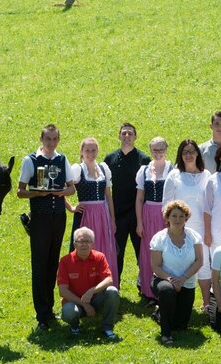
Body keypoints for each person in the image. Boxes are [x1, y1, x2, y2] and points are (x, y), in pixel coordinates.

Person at [18, 124, 77, 330]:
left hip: (58, 217)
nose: (51, 143)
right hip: (40, 218)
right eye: (48, 139)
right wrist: (37, 193)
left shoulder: (62, 159)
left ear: (58, 140)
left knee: (52, 263)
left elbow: (71, 188)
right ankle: (41, 314)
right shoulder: (31, 160)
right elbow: (20, 191)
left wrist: (63, 192)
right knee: (39, 264)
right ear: (41, 139)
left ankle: (49, 308)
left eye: (54, 139)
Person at [162, 139, 213, 309]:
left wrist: (208, 230)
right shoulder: (174, 175)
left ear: (198, 153)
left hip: (202, 228)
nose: (188, 155)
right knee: (178, 265)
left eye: (192, 151)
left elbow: (210, 204)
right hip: (179, 229)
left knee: (204, 265)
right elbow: (166, 205)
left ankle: (206, 303)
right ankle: (176, 303)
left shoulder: (207, 175)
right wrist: (171, 228)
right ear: (180, 155)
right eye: (185, 152)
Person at [150, 200, 204, 345]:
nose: (178, 219)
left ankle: (160, 312)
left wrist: (183, 278)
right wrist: (171, 280)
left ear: (186, 218)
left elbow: (199, 261)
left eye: (181, 216)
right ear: (167, 217)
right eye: (174, 216)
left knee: (180, 325)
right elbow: (156, 266)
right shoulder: (159, 238)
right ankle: (166, 334)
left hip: (187, 282)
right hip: (163, 279)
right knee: (167, 291)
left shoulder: (194, 236)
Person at [103, 122, 150, 290]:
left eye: (130, 133)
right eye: (124, 133)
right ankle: (114, 286)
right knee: (116, 252)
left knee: (142, 252)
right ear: (119, 136)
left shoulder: (144, 160)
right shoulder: (109, 159)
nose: (127, 136)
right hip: (118, 213)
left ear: (136, 137)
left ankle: (145, 286)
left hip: (138, 214)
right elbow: (105, 189)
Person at [66, 137, 118, 279]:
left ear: (97, 151)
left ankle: (104, 283)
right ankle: (83, 284)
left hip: (103, 215)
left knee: (104, 248)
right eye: (87, 150)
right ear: (81, 151)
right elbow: (60, 189)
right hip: (86, 216)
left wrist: (112, 220)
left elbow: (108, 196)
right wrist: (71, 207)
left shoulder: (103, 169)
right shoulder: (77, 169)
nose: (90, 153)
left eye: (93, 150)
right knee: (85, 247)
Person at [57, 227, 121, 340]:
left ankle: (107, 327)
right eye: (80, 241)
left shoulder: (99, 257)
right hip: (75, 303)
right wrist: (84, 304)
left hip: (96, 300)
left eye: (87, 241)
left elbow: (109, 280)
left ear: (92, 244)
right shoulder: (65, 261)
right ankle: (74, 327)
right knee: (68, 311)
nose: (84, 245)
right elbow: (63, 291)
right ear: (74, 244)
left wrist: (92, 291)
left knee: (113, 291)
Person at [135, 137, 173, 302]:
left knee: (166, 251)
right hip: (148, 214)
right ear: (150, 150)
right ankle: (149, 290)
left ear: (166, 149)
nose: (158, 153)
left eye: (161, 149)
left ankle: (166, 288)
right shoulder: (144, 171)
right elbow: (139, 199)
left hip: (166, 214)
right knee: (148, 251)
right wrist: (139, 222)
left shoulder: (172, 169)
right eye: (155, 150)